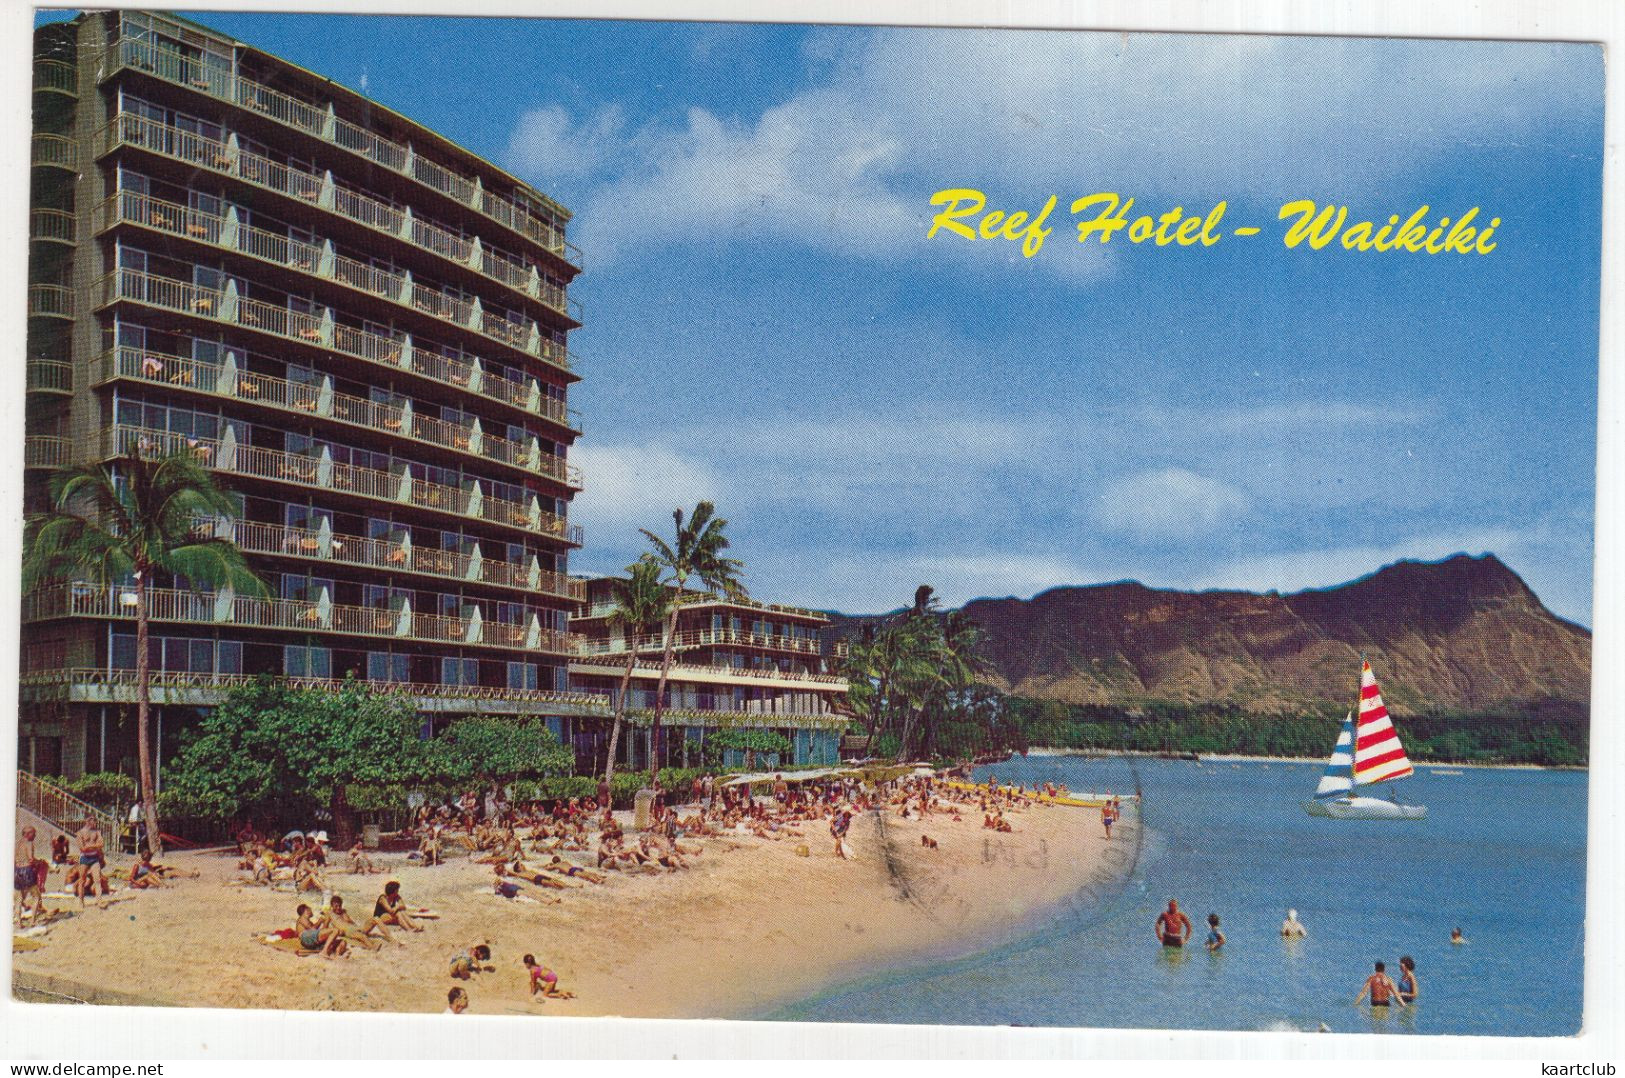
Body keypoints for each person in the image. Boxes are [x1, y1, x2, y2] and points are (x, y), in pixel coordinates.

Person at [13, 826, 46, 921]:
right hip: (26, 870)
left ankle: (19, 923)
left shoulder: (17, 844)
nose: (35, 835)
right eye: (33, 833)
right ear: (27, 834)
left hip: (17, 871)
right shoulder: (29, 843)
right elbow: (31, 859)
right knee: (36, 897)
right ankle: (33, 921)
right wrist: (39, 862)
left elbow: (13, 860)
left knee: (19, 899)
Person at [73, 818, 106, 905]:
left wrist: (90, 846)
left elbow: (102, 844)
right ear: (87, 822)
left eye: (95, 821)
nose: (95, 823)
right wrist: (95, 846)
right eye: (93, 821)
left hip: (94, 857)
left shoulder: (97, 832)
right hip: (85, 857)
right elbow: (82, 848)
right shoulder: (80, 832)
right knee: (82, 880)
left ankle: (99, 901)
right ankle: (81, 901)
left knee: (97, 879)